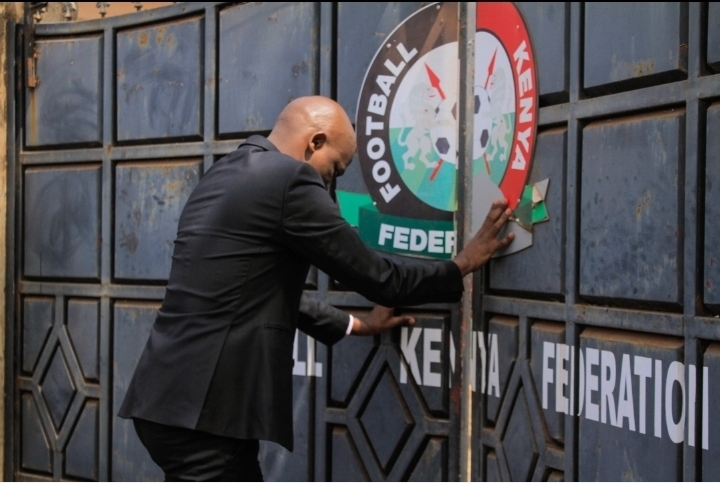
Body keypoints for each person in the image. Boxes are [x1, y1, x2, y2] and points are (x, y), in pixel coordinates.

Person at [118, 96, 514, 481]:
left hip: (168, 404)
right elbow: (381, 278)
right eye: (336, 170)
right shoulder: (290, 178)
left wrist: (357, 325)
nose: (331, 183)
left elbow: (251, 291)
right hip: (207, 416)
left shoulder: (223, 174)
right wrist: (462, 263)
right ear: (314, 143)